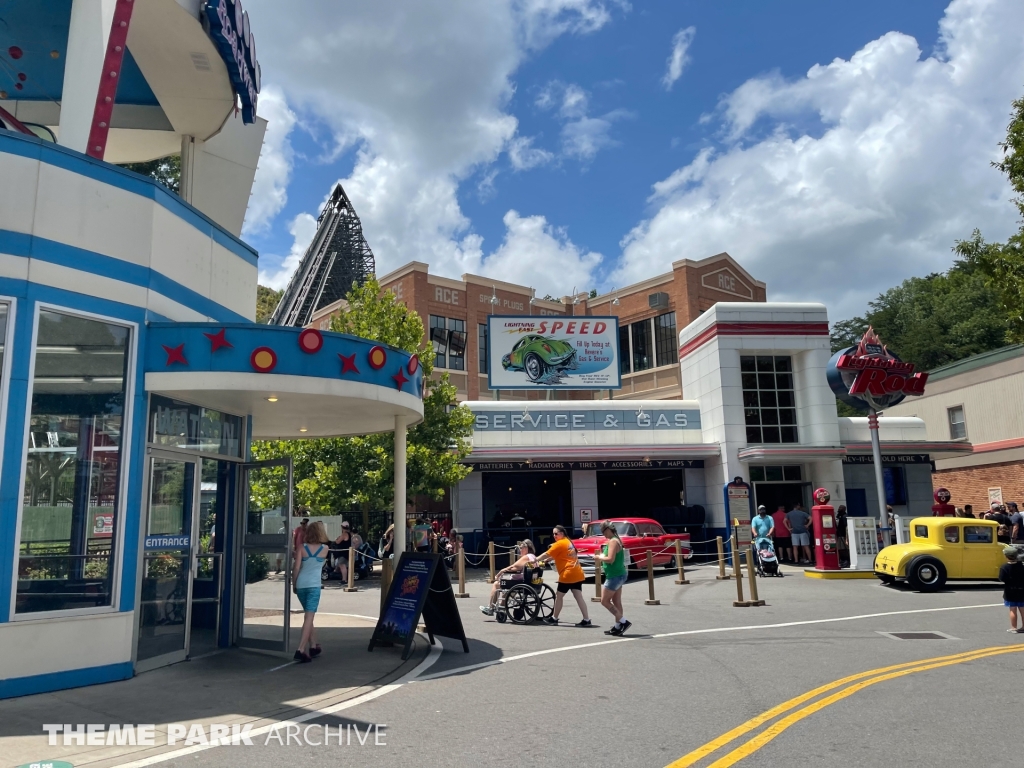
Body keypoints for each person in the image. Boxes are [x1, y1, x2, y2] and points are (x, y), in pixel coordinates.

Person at [536, 524, 591, 627]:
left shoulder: (559, 543)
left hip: (568, 574)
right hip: (577, 572)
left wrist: (535, 559)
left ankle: (554, 618)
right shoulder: (568, 542)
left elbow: (547, 554)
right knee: (579, 597)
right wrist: (546, 561)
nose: (554, 536)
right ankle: (586, 619)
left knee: (559, 596)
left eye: (556, 534)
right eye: (553, 534)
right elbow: (557, 555)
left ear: (561, 534)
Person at [293, 521, 329, 662]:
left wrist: (294, 584)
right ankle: (301, 649)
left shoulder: (301, 548)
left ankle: (313, 645)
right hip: (314, 585)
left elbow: (296, 568)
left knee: (308, 616)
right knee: (309, 617)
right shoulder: (325, 549)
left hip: (301, 584)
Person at [480, 540, 538, 616]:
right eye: (519, 548)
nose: (520, 550)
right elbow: (517, 568)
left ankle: (491, 607)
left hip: (520, 581)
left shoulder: (526, 557)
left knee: (496, 584)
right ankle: (501, 607)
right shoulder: (533, 556)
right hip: (529, 581)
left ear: (527, 547)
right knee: (506, 586)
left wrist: (501, 571)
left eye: (521, 548)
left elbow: (513, 566)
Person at [592, 521, 630, 636]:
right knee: (616, 601)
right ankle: (618, 626)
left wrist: (599, 557)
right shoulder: (615, 540)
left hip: (614, 576)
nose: (603, 534)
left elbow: (610, 559)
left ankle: (623, 622)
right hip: (618, 574)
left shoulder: (613, 541)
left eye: (603, 532)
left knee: (604, 601)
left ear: (608, 530)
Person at [999, 547, 1024, 633]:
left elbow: (1002, 578)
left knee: (1012, 609)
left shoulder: (1004, 567)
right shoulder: (1021, 565)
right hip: (1022, 590)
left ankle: (1014, 627)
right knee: (1022, 609)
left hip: (1010, 591)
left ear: (1006, 556)